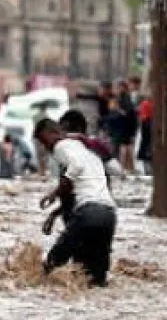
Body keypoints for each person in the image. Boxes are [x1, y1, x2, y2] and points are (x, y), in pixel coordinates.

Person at [34, 118, 118, 287]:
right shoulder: (89, 150)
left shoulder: (61, 146)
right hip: (109, 215)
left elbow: (76, 166)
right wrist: (54, 214)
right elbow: (112, 173)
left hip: (87, 214)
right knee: (94, 280)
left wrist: (54, 193)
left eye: (44, 141)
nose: (46, 147)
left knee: (51, 266)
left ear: (53, 133)